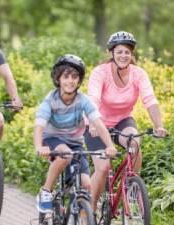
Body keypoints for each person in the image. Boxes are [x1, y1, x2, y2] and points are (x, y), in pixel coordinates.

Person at [84, 31, 168, 211]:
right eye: (120, 51)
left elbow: (150, 100)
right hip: (97, 124)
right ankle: (89, 211)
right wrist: (92, 123)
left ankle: (131, 188)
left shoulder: (138, 74)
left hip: (122, 121)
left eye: (127, 52)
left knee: (135, 144)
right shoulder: (100, 73)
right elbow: (93, 99)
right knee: (104, 167)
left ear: (132, 54)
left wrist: (158, 125)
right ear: (111, 53)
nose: (124, 55)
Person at [34, 54, 117, 213]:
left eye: (74, 77)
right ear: (58, 78)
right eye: (66, 76)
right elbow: (39, 126)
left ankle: (73, 213)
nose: (70, 81)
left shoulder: (83, 99)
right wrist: (39, 146)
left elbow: (98, 124)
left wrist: (110, 146)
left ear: (79, 81)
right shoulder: (51, 100)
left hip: (76, 143)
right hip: (52, 139)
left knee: (86, 186)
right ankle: (45, 191)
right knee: (65, 153)